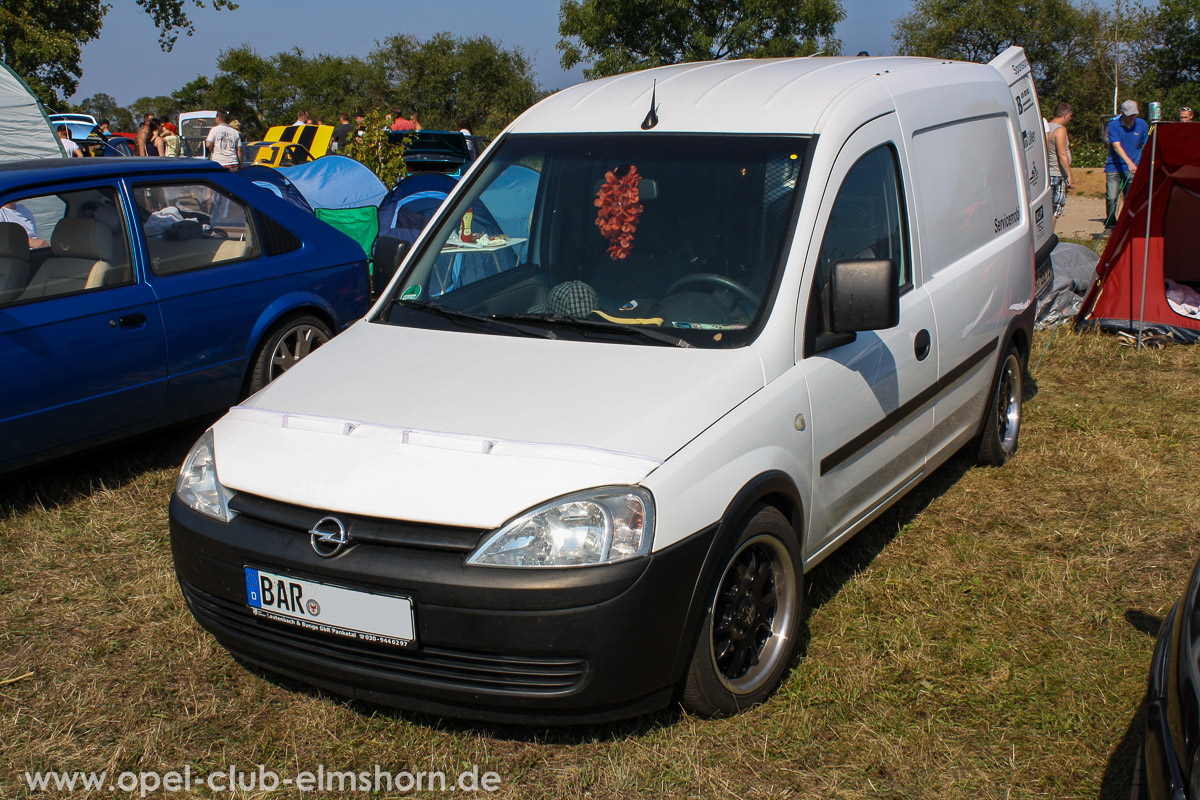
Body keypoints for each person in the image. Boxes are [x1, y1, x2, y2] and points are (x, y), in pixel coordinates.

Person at [1104, 100, 1150, 230]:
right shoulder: (1113, 125)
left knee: (1130, 198)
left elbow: (1146, 144)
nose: (1132, 118)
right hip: (1114, 166)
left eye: (1134, 115)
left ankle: (1129, 225)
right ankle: (1111, 225)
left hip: (1134, 168)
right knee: (1112, 197)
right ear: (1122, 113)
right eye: (1129, 115)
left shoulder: (1142, 124)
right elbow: (1116, 146)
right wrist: (1129, 162)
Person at [1046, 102, 1074, 224]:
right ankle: (1049, 236)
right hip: (1057, 174)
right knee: (1056, 209)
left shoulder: (1047, 127)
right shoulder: (1060, 130)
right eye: (1070, 116)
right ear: (1066, 115)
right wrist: (1069, 176)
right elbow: (1062, 154)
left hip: (1048, 173)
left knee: (1047, 208)